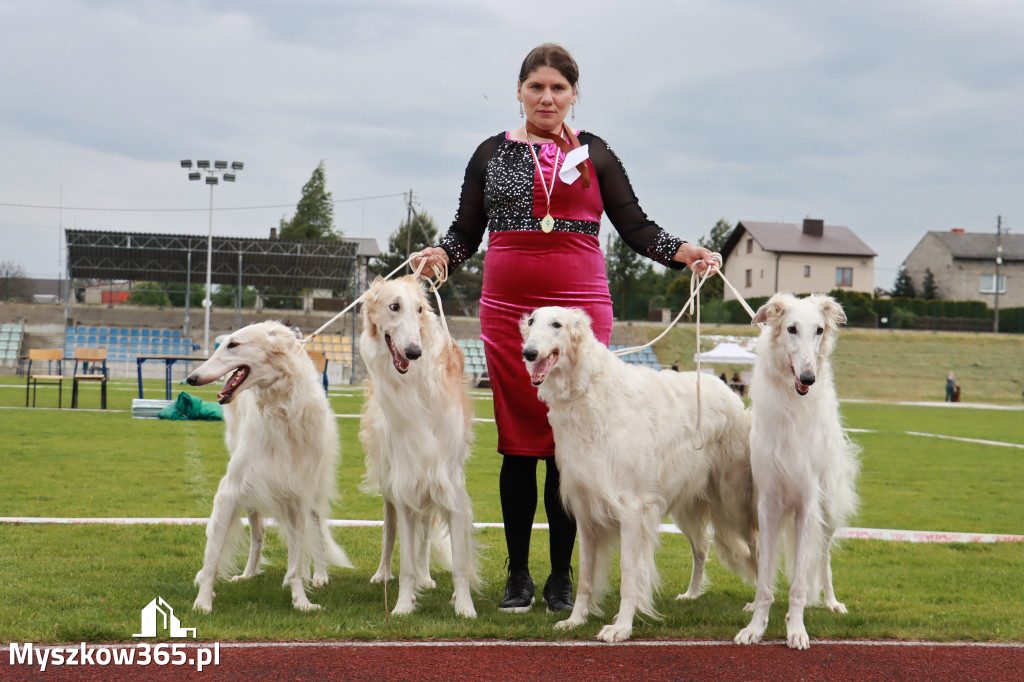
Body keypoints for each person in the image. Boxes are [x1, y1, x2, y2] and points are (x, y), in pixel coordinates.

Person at [413, 43, 718, 614]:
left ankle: (561, 577)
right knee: (518, 447)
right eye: (536, 87)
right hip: (509, 314)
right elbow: (463, 233)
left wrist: (685, 252)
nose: (546, 98)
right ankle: (518, 577)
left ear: (575, 94)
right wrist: (440, 254)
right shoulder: (489, 153)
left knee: (570, 450)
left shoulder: (597, 154)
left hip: (580, 317)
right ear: (520, 93)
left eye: (558, 88)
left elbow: (635, 226)